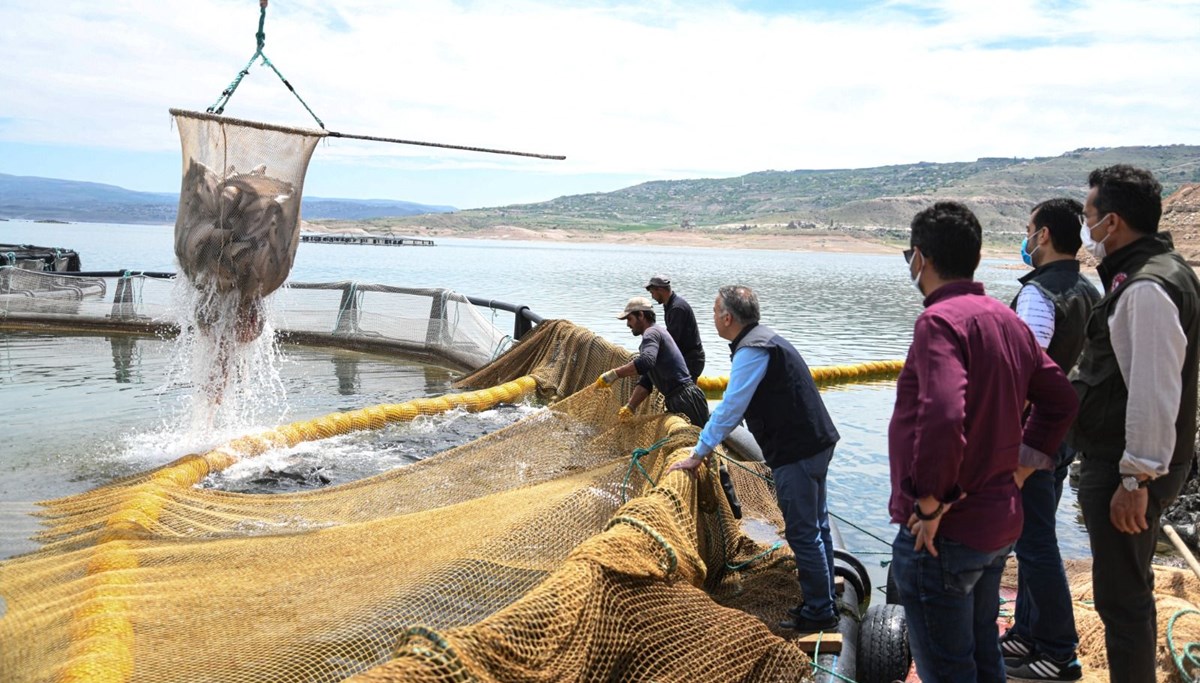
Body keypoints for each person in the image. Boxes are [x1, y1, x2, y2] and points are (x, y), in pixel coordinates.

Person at [888, 201, 1077, 682]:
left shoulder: (939, 322)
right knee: (984, 659)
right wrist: (1022, 466)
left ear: (920, 259)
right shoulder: (1006, 319)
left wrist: (931, 502)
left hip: (944, 535)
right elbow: (1060, 400)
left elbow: (945, 414)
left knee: (949, 670)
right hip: (997, 526)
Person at [1069, 165, 1200, 683]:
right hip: (1127, 463)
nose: (1087, 229)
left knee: (1122, 602)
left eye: (1089, 217)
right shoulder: (1154, 271)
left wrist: (1135, 478)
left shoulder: (1146, 287)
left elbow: (1152, 390)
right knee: (1127, 591)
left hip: (1127, 469)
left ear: (1113, 222)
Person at [666, 285, 840, 634]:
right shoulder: (765, 338)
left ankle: (820, 611)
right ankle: (826, 595)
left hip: (798, 451)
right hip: (816, 441)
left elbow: (730, 408)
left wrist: (699, 453)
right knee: (817, 525)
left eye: (715, 312)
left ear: (728, 318)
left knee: (804, 532)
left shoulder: (752, 349)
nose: (713, 318)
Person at [1001, 198, 1100, 681]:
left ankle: (1059, 650)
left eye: (1028, 229)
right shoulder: (1088, 289)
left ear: (1042, 236)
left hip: (1034, 436)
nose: (1026, 238)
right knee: (1034, 535)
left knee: (1035, 542)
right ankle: (1026, 632)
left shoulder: (1041, 294)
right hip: (1066, 434)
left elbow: (1025, 371)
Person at [595, 296, 710, 429]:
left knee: (699, 442)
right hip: (678, 398)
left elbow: (645, 362)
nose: (627, 324)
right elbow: (647, 380)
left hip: (685, 399)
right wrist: (630, 407)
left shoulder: (651, 333)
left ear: (641, 315)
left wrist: (614, 374)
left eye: (629, 319)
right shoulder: (654, 334)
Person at [645, 274, 706, 381]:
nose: (652, 296)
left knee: (685, 394)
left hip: (691, 360)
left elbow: (672, 340)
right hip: (686, 357)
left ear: (660, 290)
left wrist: (653, 353)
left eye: (652, 293)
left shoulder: (677, 308)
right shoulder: (669, 305)